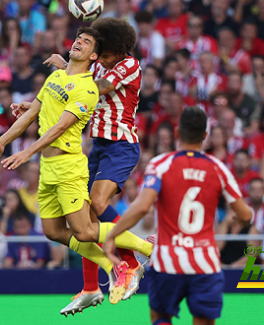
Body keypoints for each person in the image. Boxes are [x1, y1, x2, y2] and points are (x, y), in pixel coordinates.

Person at [0, 26, 154, 307]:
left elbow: (94, 89)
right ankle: (91, 288)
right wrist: (48, 92)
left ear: (114, 49)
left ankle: (138, 256)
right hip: (98, 145)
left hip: (121, 145)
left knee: (98, 204)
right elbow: (76, 92)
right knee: (83, 219)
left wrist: (68, 67)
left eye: (100, 48)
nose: (100, 56)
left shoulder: (129, 64)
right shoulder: (97, 66)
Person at [103, 107, 253, 325]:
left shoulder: (160, 164)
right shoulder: (218, 168)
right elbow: (246, 214)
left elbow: (142, 206)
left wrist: (112, 236)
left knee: (160, 317)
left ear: (176, 133)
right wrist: (241, 220)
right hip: (205, 264)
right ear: (204, 136)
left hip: (167, 263)